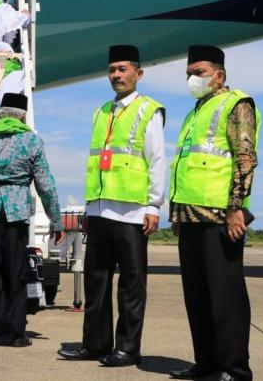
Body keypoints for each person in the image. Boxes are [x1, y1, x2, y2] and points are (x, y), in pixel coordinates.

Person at [57, 45, 165, 367]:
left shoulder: (149, 110)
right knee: (96, 281)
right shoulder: (101, 111)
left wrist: (154, 205)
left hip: (132, 211)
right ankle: (95, 343)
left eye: (122, 69)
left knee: (131, 284)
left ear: (138, 73)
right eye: (112, 70)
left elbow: (157, 160)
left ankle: (128, 348)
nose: (116, 75)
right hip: (100, 210)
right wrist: (90, 207)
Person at [168, 45, 260, 381]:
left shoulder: (237, 104)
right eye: (189, 73)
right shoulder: (196, 110)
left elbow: (245, 158)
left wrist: (236, 208)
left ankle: (233, 369)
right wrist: (177, 213)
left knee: (226, 296)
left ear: (219, 74)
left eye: (199, 72)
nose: (192, 78)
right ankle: (206, 364)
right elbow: (185, 167)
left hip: (220, 216)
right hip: (190, 216)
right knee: (197, 296)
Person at [0, 93, 64, 347]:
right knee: (16, 272)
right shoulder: (31, 141)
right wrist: (56, 220)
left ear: (1, 112)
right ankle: (15, 333)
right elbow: (45, 184)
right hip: (16, 211)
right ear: (22, 115)